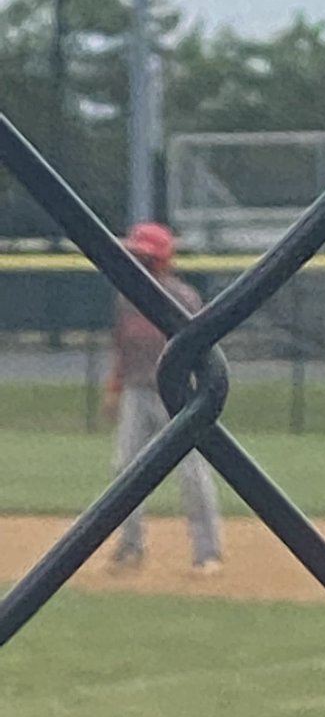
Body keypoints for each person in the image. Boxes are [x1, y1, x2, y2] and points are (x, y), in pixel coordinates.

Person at [103, 221, 223, 574]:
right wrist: (114, 387)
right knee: (125, 469)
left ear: (162, 260)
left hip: (178, 396)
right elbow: (122, 347)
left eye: (145, 257)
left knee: (191, 474)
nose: (139, 262)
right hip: (137, 393)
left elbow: (202, 351)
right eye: (136, 256)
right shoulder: (126, 297)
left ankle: (207, 552)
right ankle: (130, 545)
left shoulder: (183, 297)